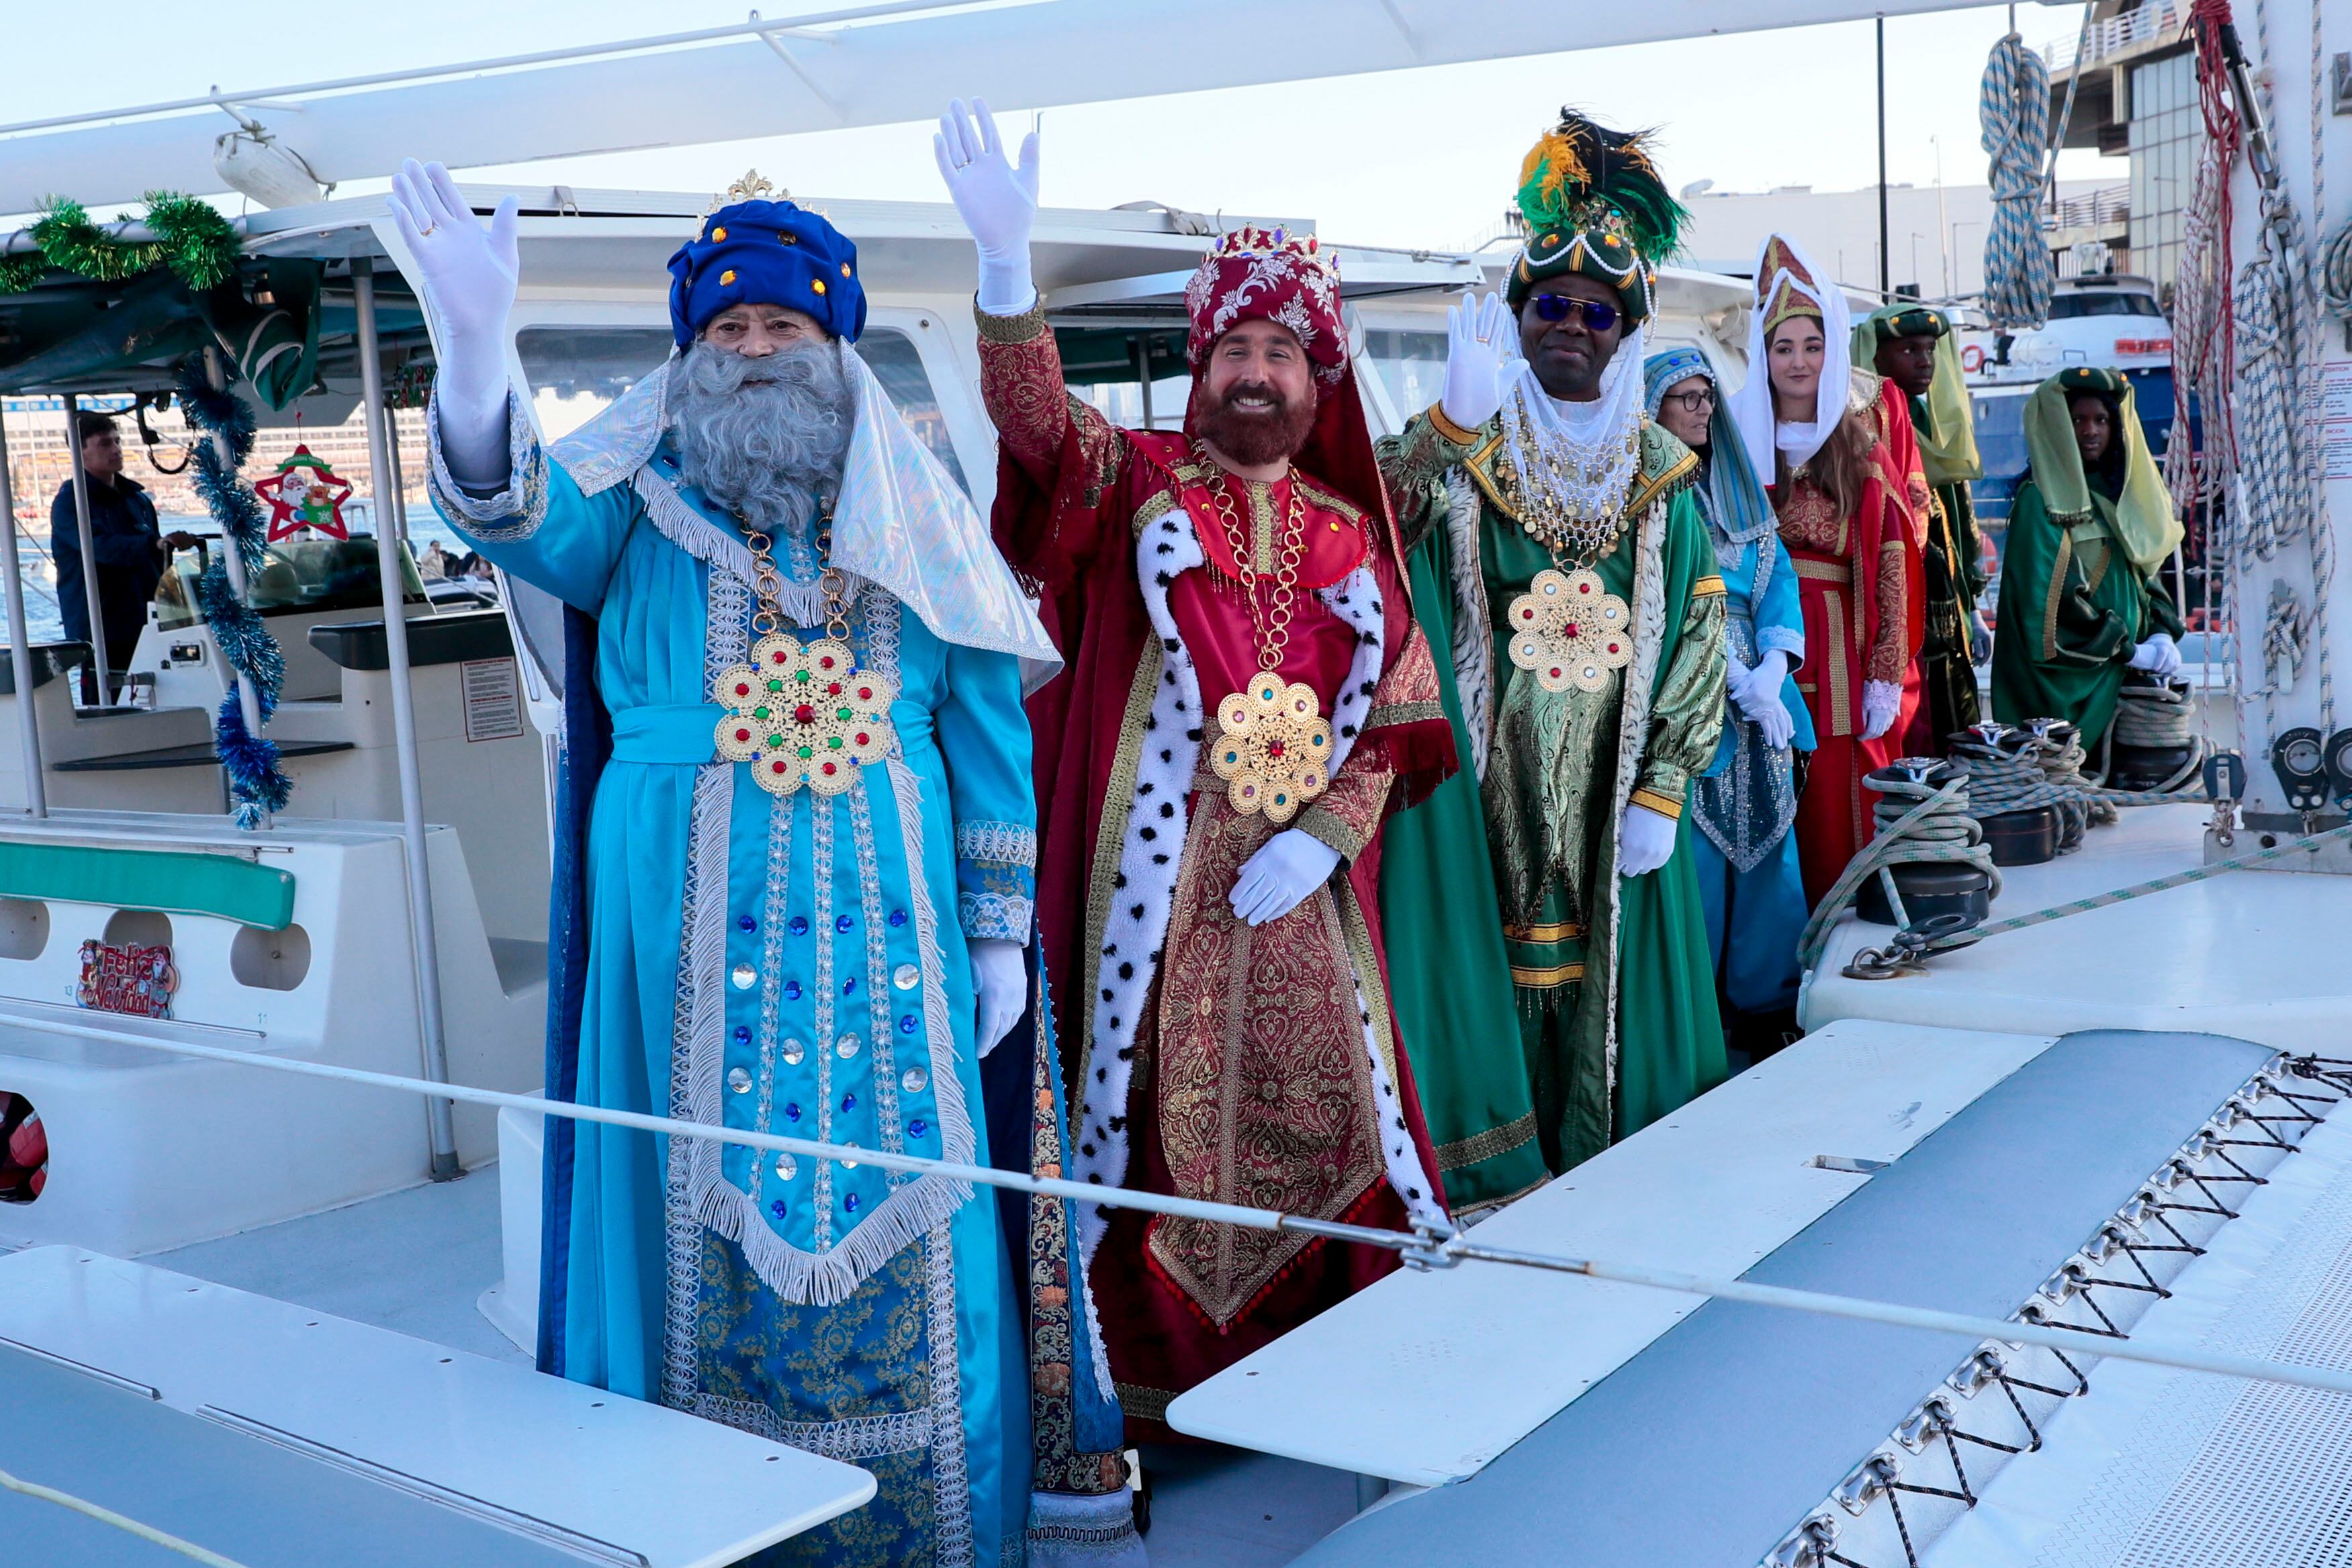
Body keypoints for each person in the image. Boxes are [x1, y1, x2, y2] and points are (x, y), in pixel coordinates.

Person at [396, 158, 1082, 1568]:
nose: (756, 354)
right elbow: (505, 509)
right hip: (678, 926)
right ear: (686, 355)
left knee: (924, 1202)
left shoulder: (919, 507)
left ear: (836, 347)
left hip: (896, 925)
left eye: (783, 330)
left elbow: (980, 715)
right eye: (727, 333)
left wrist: (1000, 925)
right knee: (670, 1204)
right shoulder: (628, 498)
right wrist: (477, 351)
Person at [937, 99, 1457, 1456]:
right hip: (1150, 904)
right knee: (1145, 1135)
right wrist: (1006, 272)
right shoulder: (1135, 477)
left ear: (1315, 375)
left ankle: (1335, 1372)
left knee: (1341, 1117)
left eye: (1279, 349)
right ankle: (1156, 1398)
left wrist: (1331, 834)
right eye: (1233, 343)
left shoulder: (1351, 532)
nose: (1254, 371)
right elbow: (1034, 427)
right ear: (1199, 358)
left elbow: (1399, 720)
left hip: (1306, 904)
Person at [1376, 110, 1729, 1193]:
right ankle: (1496, 1171)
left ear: (1623, 332)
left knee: (1605, 978)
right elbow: (1373, 536)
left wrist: (1664, 785)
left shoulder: (1664, 475)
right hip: (1486, 784)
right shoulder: (1464, 450)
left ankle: (1617, 1176)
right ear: (1519, 319)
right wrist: (1446, 427)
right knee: (1492, 967)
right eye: (1548, 305)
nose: (1568, 325)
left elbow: (1696, 634)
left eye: (1594, 311)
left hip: (1612, 785)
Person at [1725, 236, 1916, 907]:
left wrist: (1885, 676)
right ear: (1763, 355)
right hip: (1751, 653)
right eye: (1783, 348)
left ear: (1831, 351)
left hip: (1837, 654)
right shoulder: (1738, 444)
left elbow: (1893, 561)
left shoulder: (1856, 446)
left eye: (1811, 346)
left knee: (1834, 807)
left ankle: (1836, 942)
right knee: (1761, 809)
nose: (1798, 361)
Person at [1645, 347, 1813, 1058]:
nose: (1701, 410)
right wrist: (1724, 676)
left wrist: (1772, 669)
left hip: (1759, 702)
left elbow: (1778, 582)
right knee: (1696, 849)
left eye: (1706, 396)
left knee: (1771, 840)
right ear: (1652, 407)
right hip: (1682, 688)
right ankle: (1697, 1004)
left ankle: (1766, 999)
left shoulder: (1740, 495)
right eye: (1685, 398)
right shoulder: (1645, 497)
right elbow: (1653, 602)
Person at [1991, 365, 2183, 741]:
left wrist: (2160, 632)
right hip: (2068, 690)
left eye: (2100, 420)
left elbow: (2140, 575)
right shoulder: (2039, 500)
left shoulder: (2119, 497)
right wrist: (2126, 650)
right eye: (2077, 420)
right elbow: (2046, 608)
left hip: (2119, 679)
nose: (2090, 431)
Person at [1856, 303, 1988, 751]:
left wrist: (1971, 601)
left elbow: (1952, 516)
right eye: (1910, 349)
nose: (1925, 360)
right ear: (1875, 355)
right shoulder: (1869, 421)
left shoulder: (1932, 425)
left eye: (1930, 349)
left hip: (1944, 608)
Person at [50, 410, 197, 682]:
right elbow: (100, 548)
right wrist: (153, 544)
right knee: (108, 699)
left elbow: (156, 557)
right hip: (103, 626)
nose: (117, 449)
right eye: (105, 444)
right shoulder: (71, 502)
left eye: (117, 441)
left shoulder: (137, 500)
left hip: (148, 619)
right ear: (80, 453)